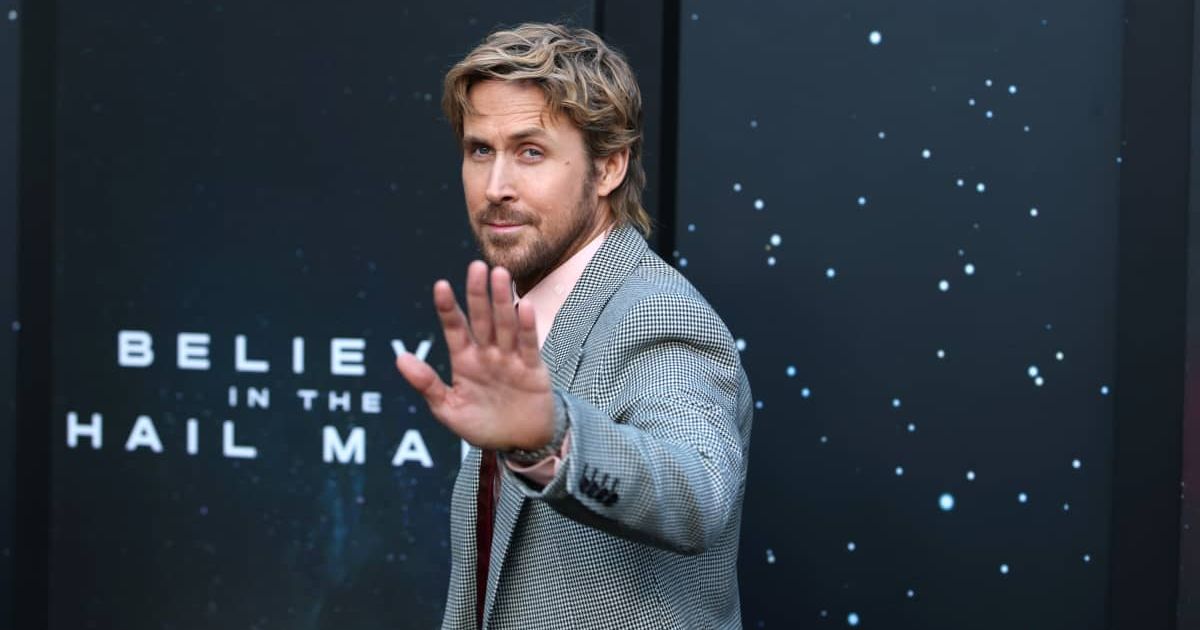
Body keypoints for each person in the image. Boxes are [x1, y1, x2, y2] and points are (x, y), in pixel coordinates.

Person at [395, 22, 753, 630]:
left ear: (609, 166)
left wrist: (554, 437)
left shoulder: (657, 313)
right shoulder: (519, 314)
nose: (496, 187)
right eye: (481, 150)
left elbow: (699, 495)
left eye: (530, 152)